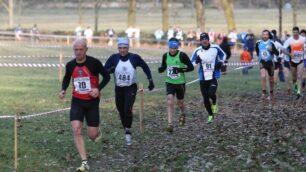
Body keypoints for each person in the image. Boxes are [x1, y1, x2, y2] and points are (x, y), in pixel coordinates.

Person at [59, 38, 110, 172]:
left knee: (92, 135)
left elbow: (107, 77)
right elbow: (66, 78)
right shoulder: (70, 65)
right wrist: (63, 89)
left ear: (86, 49)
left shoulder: (94, 63)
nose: (78, 52)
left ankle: (97, 132)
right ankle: (84, 162)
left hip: (92, 102)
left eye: (81, 49)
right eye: (76, 50)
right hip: (77, 101)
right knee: (76, 129)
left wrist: (98, 89)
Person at [105, 37, 155, 146]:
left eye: (124, 48)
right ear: (118, 48)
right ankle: (126, 128)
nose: (122, 50)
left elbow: (145, 67)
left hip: (130, 88)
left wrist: (150, 80)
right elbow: (105, 70)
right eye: (120, 48)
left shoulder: (134, 58)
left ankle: (128, 131)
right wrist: (110, 70)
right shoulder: (114, 58)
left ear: (128, 47)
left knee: (127, 109)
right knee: (121, 110)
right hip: (118, 89)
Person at [158, 38, 194, 132]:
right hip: (169, 82)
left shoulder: (182, 55)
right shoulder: (165, 56)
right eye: (170, 48)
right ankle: (170, 124)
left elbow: (191, 67)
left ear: (177, 48)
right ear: (168, 47)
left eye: (174, 48)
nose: (172, 50)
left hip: (180, 83)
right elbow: (164, 66)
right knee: (169, 101)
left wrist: (180, 70)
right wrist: (161, 69)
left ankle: (183, 113)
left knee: (180, 103)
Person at [191, 32, 226, 123]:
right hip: (202, 77)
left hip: (213, 75)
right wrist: (196, 62)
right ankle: (210, 115)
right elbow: (192, 64)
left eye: (206, 38)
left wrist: (221, 62)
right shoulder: (197, 50)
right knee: (205, 98)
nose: (204, 40)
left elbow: (224, 55)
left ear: (208, 39)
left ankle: (214, 103)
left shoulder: (215, 48)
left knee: (211, 93)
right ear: (200, 41)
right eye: (202, 39)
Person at [255, 29, 279, 100]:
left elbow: (277, 53)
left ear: (268, 35)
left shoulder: (272, 43)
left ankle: (271, 92)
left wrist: (272, 50)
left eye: (266, 34)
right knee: (263, 76)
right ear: (262, 35)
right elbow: (257, 51)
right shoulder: (258, 42)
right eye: (263, 34)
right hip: (262, 62)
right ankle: (263, 93)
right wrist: (259, 57)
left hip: (270, 63)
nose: (264, 36)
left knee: (271, 80)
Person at [282, 26, 305, 99]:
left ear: (298, 32)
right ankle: (296, 88)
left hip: (300, 60)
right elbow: (283, 49)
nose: (295, 34)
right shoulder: (289, 40)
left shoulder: (303, 39)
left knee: (299, 76)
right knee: (294, 78)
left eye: (296, 32)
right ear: (292, 33)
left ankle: (298, 92)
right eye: (294, 32)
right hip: (292, 61)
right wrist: (289, 54)